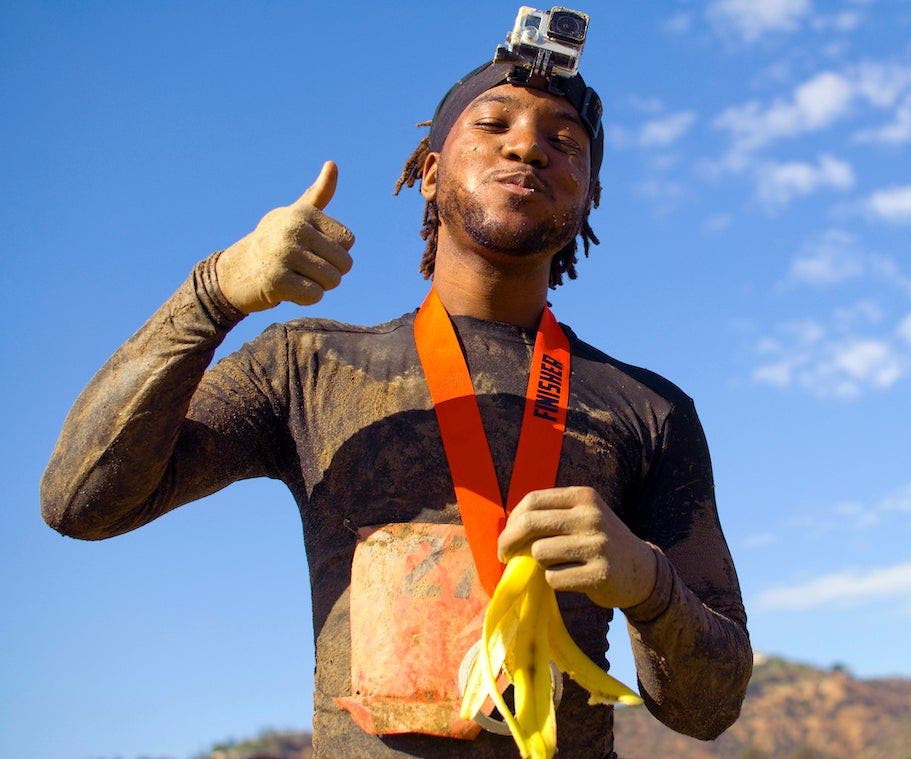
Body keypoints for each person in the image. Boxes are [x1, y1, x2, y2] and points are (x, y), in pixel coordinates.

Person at [41, 35, 752, 759]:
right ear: (430, 173)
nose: (528, 149)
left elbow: (708, 708)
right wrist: (213, 291)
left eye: (564, 142)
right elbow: (79, 500)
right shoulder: (308, 365)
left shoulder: (652, 409)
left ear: (590, 194)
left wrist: (648, 582)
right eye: (494, 124)